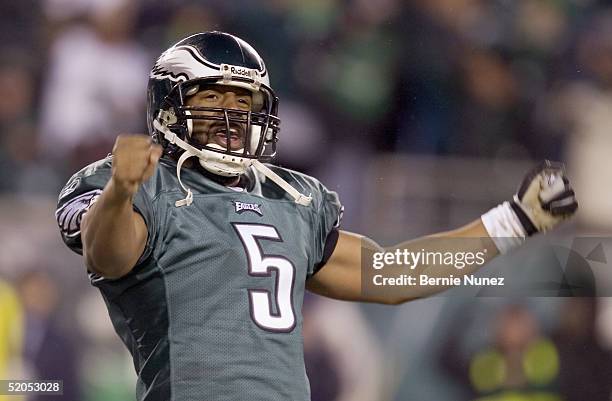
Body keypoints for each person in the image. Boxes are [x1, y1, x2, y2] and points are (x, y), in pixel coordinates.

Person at [55, 31, 578, 401]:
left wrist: (513, 222)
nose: (232, 114)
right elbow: (111, 253)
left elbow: (390, 275)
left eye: (244, 100)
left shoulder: (293, 197)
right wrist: (120, 192)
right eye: (212, 97)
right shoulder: (141, 185)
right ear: (169, 104)